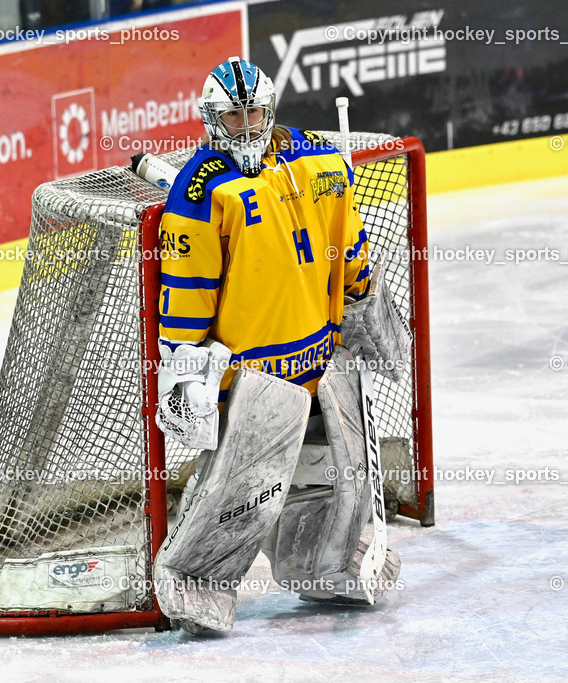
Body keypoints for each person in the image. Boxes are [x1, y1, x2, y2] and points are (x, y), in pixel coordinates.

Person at [152, 56, 402, 633]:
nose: (245, 128)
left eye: (254, 114)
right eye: (232, 118)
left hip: (324, 357)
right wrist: (185, 370)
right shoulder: (199, 189)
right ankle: (195, 581)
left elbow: (348, 238)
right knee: (242, 493)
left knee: (339, 480)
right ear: (211, 119)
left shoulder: (319, 159)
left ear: (271, 111)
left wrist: (362, 299)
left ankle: (329, 566)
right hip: (255, 376)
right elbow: (187, 291)